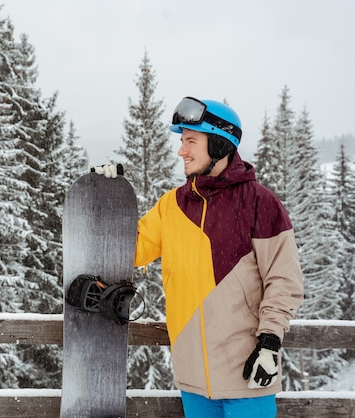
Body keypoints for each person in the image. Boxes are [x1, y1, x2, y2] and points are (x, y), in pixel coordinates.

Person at [94, 97, 304, 417]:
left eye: (191, 140)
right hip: (193, 379)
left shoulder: (260, 203)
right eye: (182, 141)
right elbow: (129, 252)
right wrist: (106, 196)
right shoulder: (172, 206)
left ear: (220, 144)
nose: (182, 151)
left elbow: (284, 279)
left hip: (247, 373)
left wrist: (270, 342)